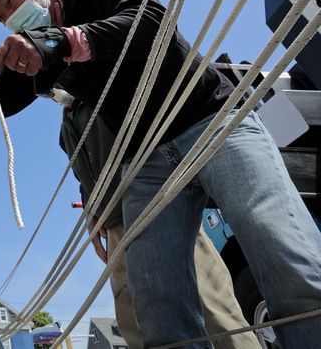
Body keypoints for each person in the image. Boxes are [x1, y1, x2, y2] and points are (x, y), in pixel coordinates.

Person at [0, 0, 321, 348]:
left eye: (11, 5)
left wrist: (59, 41)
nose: (9, 21)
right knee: (158, 310)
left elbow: (152, 21)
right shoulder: (42, 55)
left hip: (211, 119)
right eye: (2, 19)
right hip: (145, 161)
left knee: (286, 258)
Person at [60, 96, 259, 349]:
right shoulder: (67, 121)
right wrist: (91, 213)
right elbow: (84, 175)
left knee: (212, 312)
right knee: (134, 325)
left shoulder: (103, 86)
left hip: (161, 211)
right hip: (115, 228)